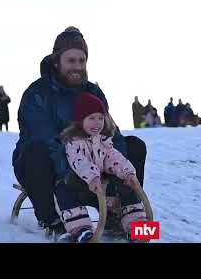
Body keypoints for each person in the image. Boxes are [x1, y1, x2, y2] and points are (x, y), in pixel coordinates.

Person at [12, 26, 147, 240]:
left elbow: (111, 134)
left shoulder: (92, 92)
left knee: (134, 145)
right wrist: (76, 177)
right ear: (57, 62)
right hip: (50, 168)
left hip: (91, 162)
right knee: (36, 152)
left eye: (81, 61)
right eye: (71, 61)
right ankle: (53, 218)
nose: (77, 66)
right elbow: (47, 141)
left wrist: (121, 172)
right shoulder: (36, 93)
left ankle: (124, 213)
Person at [56, 92, 146, 242]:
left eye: (100, 118)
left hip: (101, 184)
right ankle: (81, 231)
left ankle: (139, 228)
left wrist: (128, 173)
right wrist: (92, 178)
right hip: (82, 183)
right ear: (80, 121)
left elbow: (114, 157)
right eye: (91, 118)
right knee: (63, 190)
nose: (97, 123)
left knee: (127, 186)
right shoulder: (72, 142)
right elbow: (79, 162)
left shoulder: (104, 139)